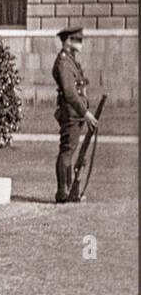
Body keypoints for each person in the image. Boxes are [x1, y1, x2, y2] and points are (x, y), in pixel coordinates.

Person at [52, 25, 98, 203]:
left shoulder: (71, 60)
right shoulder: (64, 62)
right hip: (71, 113)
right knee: (67, 151)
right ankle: (62, 192)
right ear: (68, 41)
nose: (81, 43)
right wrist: (85, 113)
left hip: (75, 113)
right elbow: (70, 93)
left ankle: (69, 191)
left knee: (70, 152)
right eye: (78, 40)